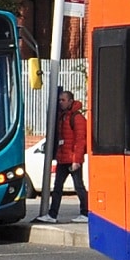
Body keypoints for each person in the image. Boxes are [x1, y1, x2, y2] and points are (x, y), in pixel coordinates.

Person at [37, 90, 88, 223]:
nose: (60, 103)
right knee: (58, 187)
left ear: (70, 101)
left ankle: (86, 212)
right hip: (63, 158)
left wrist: (76, 160)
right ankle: (52, 215)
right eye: (59, 100)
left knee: (78, 186)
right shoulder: (63, 116)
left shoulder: (76, 118)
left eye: (63, 100)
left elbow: (80, 140)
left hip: (71, 159)